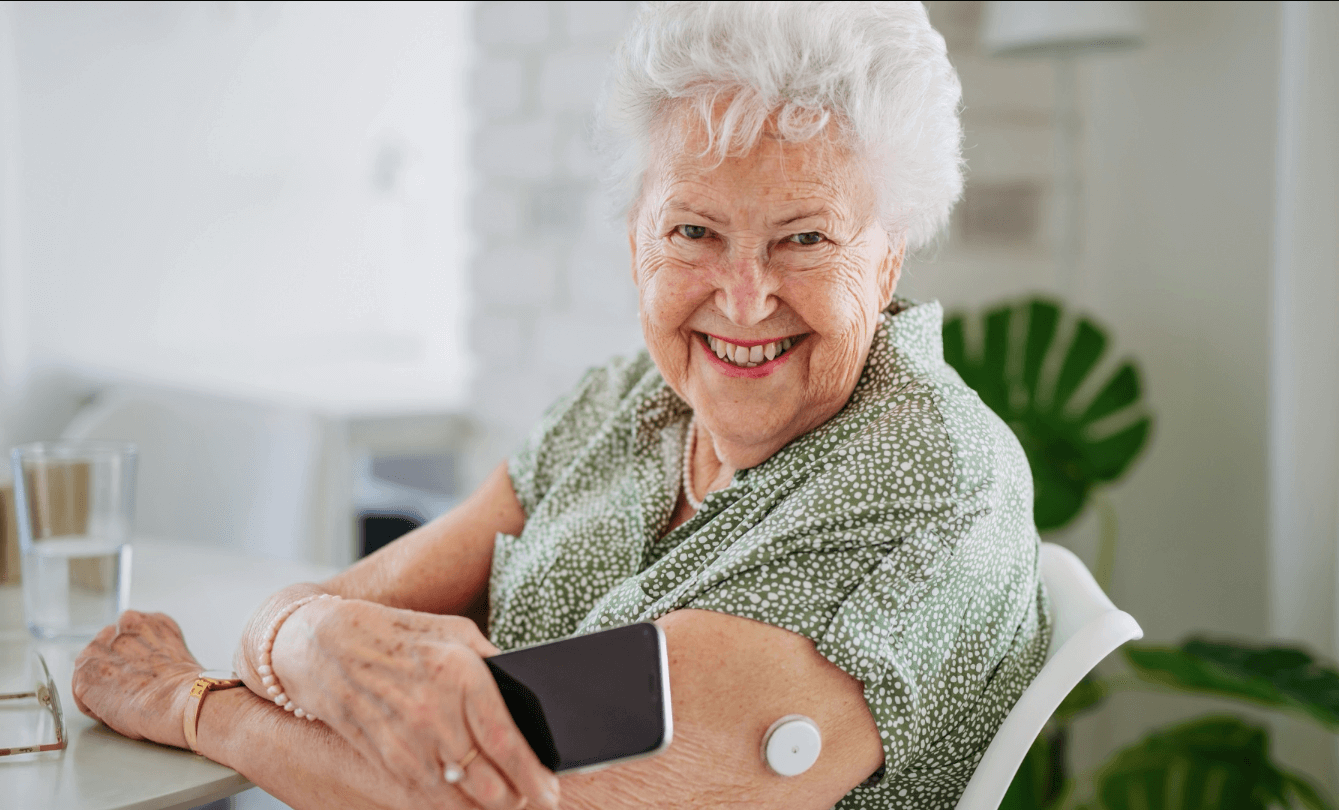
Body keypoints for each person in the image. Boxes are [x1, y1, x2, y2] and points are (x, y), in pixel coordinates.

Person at [71, 3, 1050, 808]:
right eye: (695, 230)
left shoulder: (926, 484)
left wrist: (195, 704)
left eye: (804, 240)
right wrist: (308, 638)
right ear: (635, 239)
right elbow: (331, 613)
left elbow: (522, 796)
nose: (743, 296)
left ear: (888, 260)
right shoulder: (626, 404)